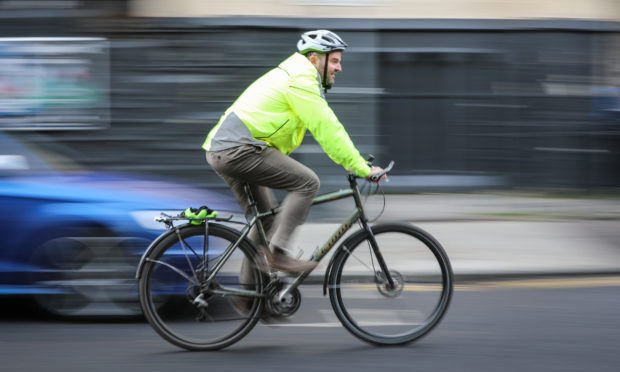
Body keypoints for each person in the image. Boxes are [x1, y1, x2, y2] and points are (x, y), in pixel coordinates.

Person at [203, 30, 385, 274]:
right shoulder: (301, 79)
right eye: (334, 60)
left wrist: (351, 162)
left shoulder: (294, 73)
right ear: (314, 60)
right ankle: (278, 253)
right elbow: (327, 127)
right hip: (239, 150)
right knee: (308, 182)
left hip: (228, 149)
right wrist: (361, 166)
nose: (339, 67)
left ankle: (249, 301)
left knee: (266, 219)